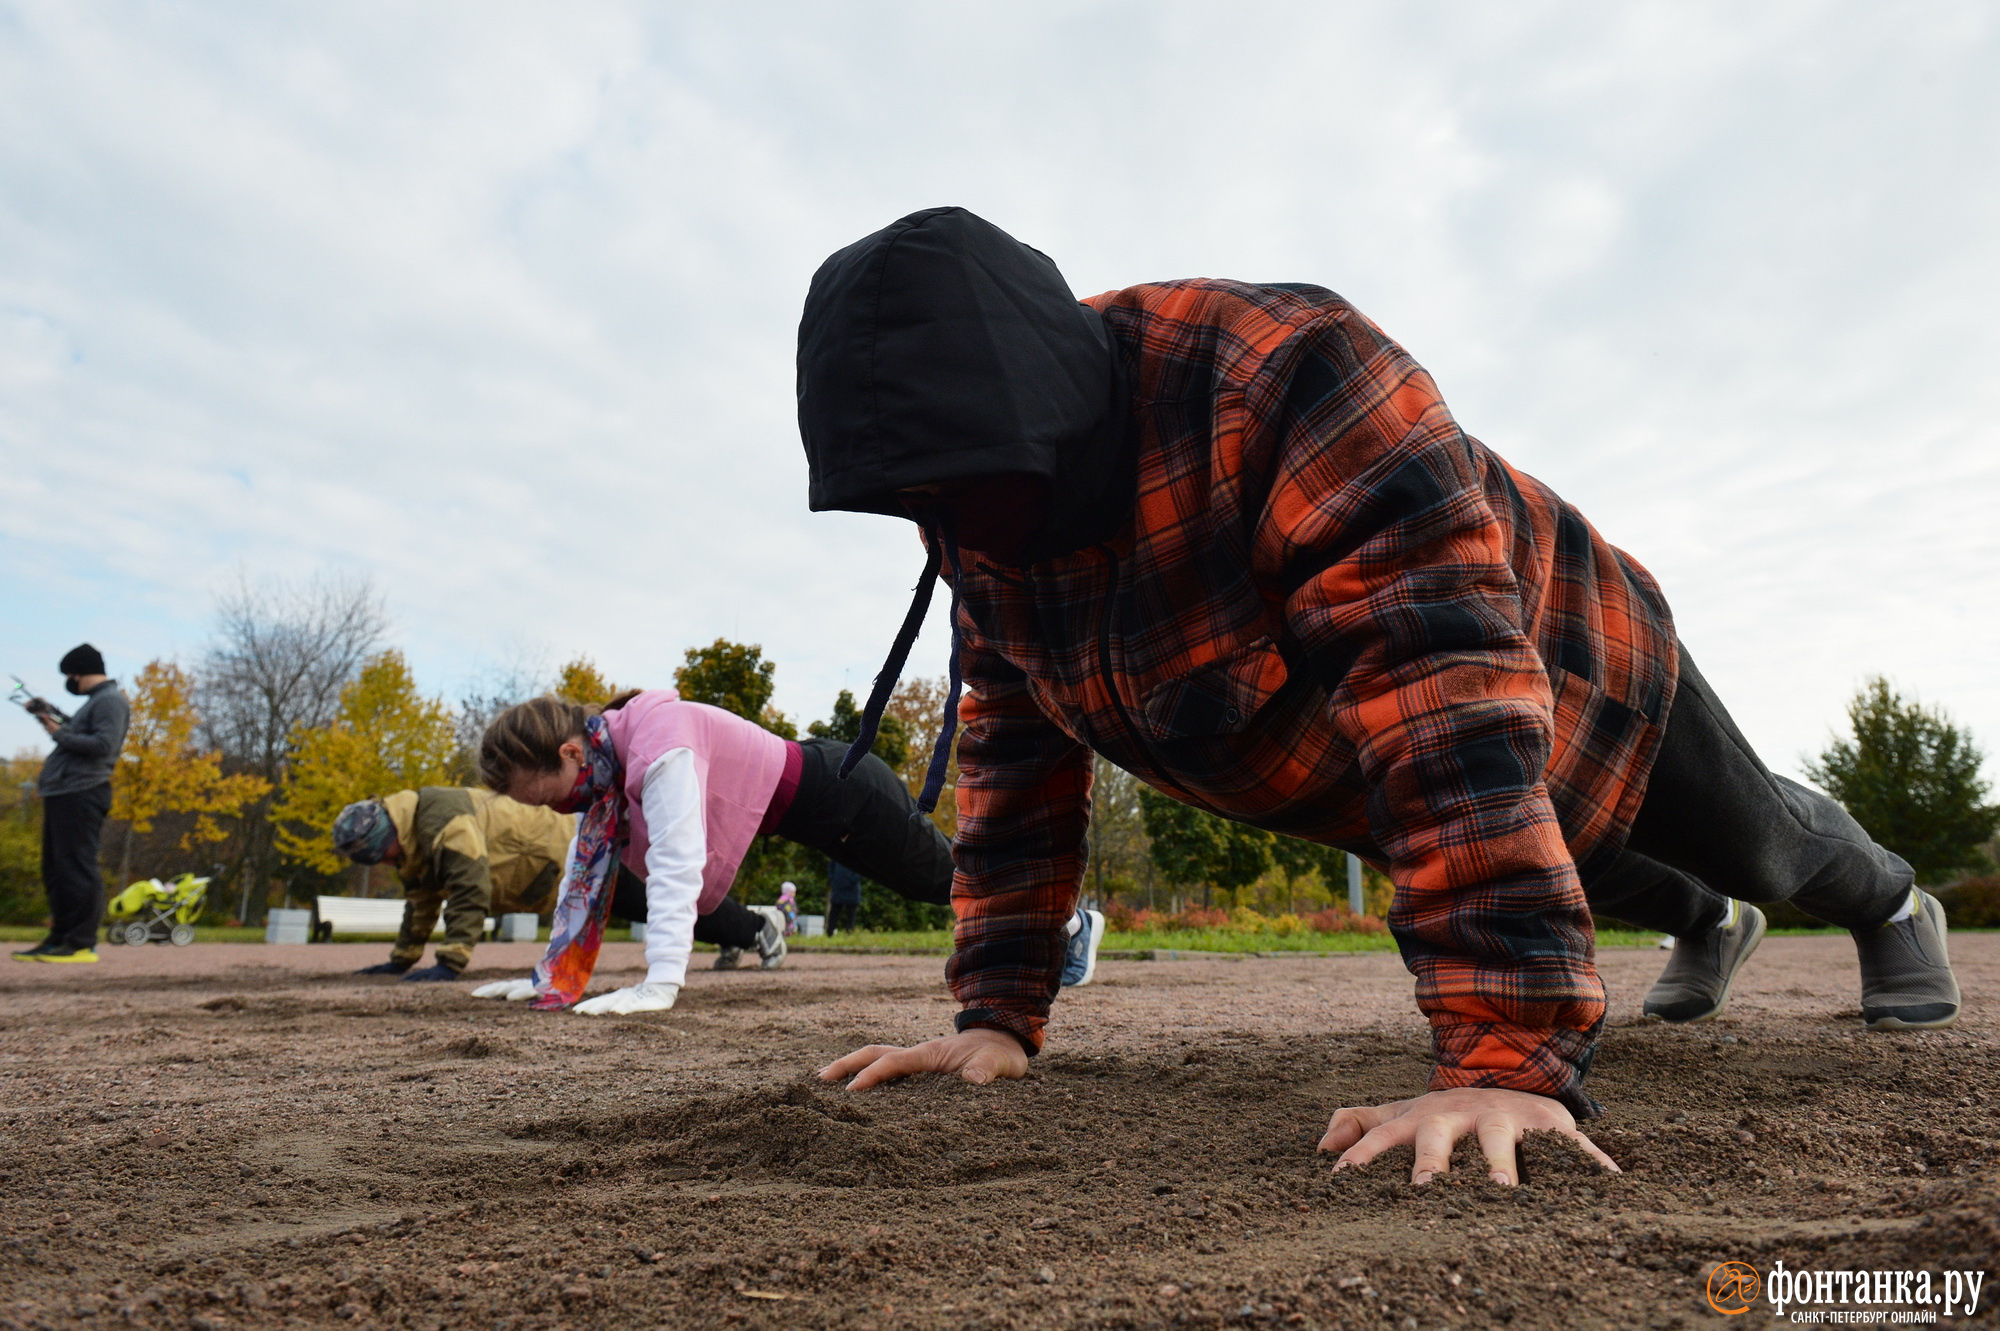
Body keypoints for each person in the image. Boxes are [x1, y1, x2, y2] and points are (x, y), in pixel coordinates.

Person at [795, 207, 1959, 1186]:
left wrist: (1502, 1060)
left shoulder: (1280, 374)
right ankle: (1705, 925)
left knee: (1756, 840)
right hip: (1353, 769)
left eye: (963, 491)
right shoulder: (983, 534)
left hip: (1568, 659)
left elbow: (1439, 697)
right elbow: (1012, 766)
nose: (949, 533)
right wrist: (993, 1012)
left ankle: (1892, 903)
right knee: (1587, 860)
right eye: (914, 504)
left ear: (1039, 413)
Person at [469, 688, 955, 1015]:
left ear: (570, 755)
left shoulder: (660, 745)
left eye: (552, 799)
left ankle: (1028, 878)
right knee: (946, 882)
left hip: (848, 791)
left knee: (951, 879)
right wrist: (549, 974)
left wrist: (660, 981)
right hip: (814, 815)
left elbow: (675, 863)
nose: (560, 811)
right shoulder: (603, 768)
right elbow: (582, 871)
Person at [331, 787, 578, 980]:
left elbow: (470, 887)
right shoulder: (410, 845)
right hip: (553, 867)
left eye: (379, 854)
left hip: (569, 849)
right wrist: (401, 960)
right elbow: (421, 902)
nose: (382, 863)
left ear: (388, 833)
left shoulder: (443, 821)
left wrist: (450, 961)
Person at [13, 645, 129, 964]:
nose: (70, 682)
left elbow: (102, 745)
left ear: (78, 672)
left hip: (83, 791)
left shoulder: (111, 701)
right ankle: (59, 938)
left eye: (70, 676)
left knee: (77, 867)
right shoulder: (97, 702)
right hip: (64, 792)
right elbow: (79, 730)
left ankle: (80, 942)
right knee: (56, 869)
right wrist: (47, 714)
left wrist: (57, 732)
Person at [826, 861, 862, 935]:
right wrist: (832, 880)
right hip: (838, 886)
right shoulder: (836, 855)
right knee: (834, 911)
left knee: (851, 912)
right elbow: (831, 868)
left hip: (852, 887)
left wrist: (853, 879)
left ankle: (849, 931)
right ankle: (830, 932)